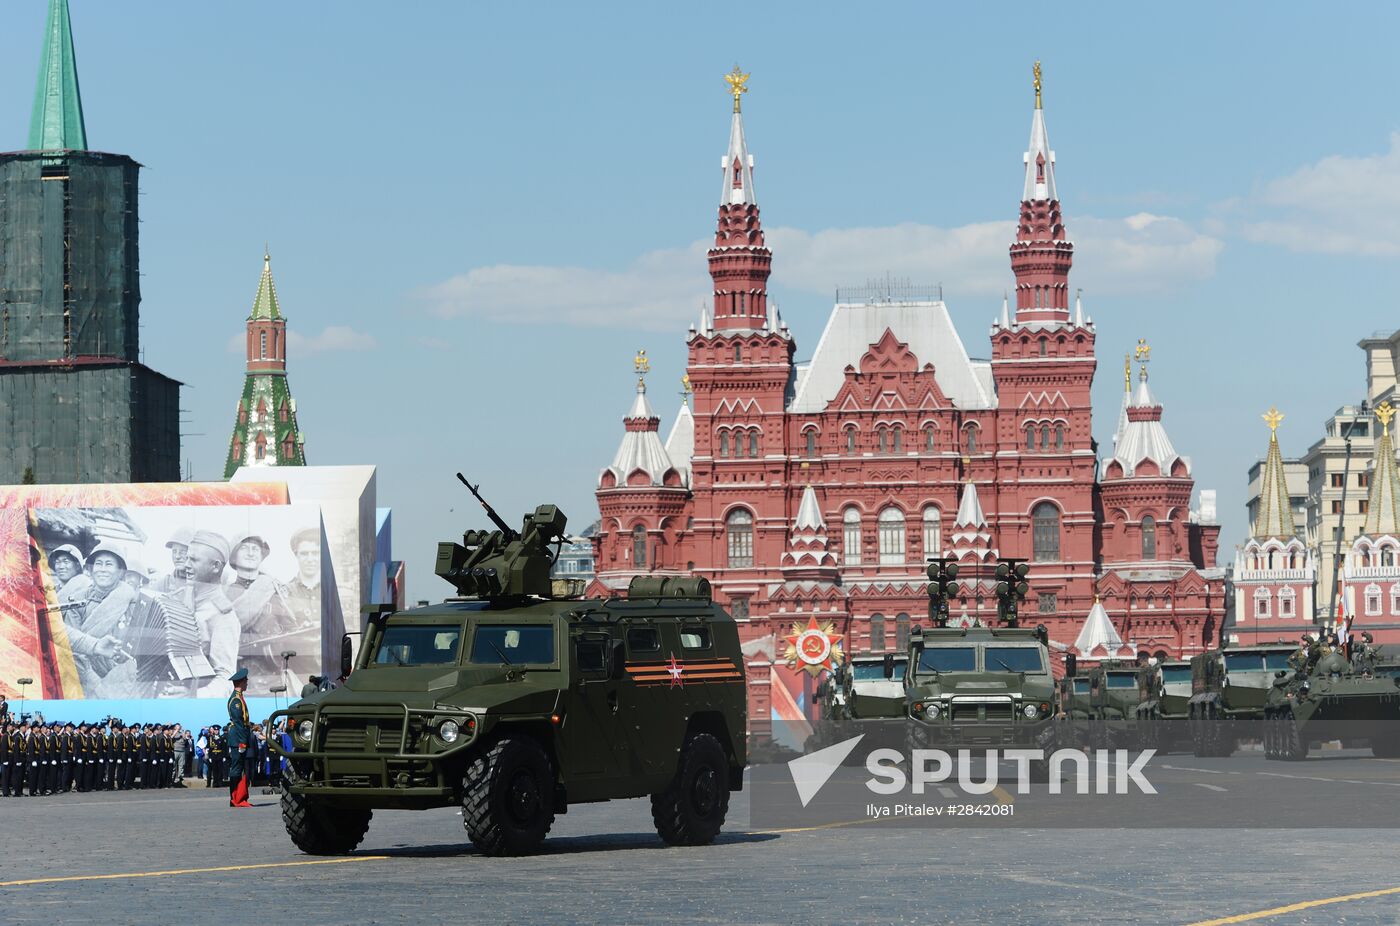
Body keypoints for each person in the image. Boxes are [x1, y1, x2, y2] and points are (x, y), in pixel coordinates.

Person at [184, 531, 240, 698]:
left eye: (194, 560)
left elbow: (227, 679)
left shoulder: (223, 616)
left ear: (215, 567)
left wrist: (192, 697)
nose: (186, 564)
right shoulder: (179, 597)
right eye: (187, 558)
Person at [226, 668, 253, 807]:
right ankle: (235, 798)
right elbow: (238, 722)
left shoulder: (239, 697)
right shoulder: (236, 700)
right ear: (241, 682)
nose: (247, 683)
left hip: (239, 737)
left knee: (240, 767)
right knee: (236, 768)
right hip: (237, 738)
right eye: (246, 681)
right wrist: (242, 742)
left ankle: (239, 797)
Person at [285, 528, 321, 628]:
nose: (310, 559)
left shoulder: (333, 589)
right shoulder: (285, 592)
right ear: (296, 555)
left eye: (315, 553)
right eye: (304, 553)